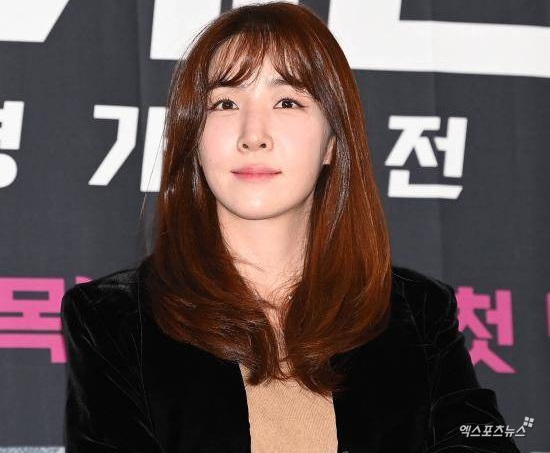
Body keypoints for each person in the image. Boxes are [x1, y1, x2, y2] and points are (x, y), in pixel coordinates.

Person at [60, 2, 522, 452]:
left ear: (332, 143)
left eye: (287, 101)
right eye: (225, 102)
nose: (253, 134)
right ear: (192, 137)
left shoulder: (415, 313)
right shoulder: (115, 319)